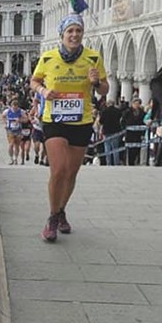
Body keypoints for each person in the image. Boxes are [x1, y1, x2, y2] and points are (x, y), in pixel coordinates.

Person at [30, 13, 109, 242]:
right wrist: (44, 92)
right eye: (70, 32)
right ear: (62, 35)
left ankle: (61, 210)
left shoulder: (93, 58)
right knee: (59, 169)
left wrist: (96, 82)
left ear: (82, 34)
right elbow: (34, 81)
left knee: (72, 172)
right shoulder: (48, 58)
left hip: (81, 120)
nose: (74, 35)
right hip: (54, 119)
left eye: (78, 31)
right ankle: (52, 217)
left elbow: (104, 89)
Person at [1, 99, 25, 165]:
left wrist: (20, 120)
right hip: (10, 129)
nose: (14, 109)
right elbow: (2, 116)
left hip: (18, 130)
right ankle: (11, 158)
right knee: (11, 144)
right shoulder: (7, 111)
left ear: (17, 106)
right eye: (13, 107)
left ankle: (15, 158)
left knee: (17, 145)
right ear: (11, 106)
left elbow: (26, 119)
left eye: (16, 108)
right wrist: (5, 122)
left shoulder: (21, 111)